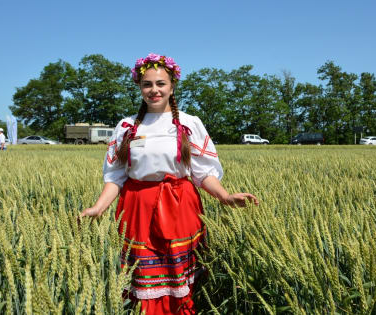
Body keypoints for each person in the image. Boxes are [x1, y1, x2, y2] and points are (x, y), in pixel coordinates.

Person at [81, 53, 259, 315]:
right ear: (139, 87)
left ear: (172, 86)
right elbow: (115, 176)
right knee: (142, 275)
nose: (154, 90)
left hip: (180, 206)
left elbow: (202, 172)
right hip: (137, 209)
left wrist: (225, 196)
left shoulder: (189, 124)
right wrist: (98, 208)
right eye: (147, 84)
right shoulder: (126, 126)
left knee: (179, 277)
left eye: (160, 84)